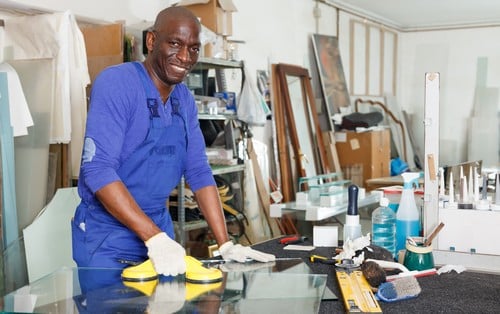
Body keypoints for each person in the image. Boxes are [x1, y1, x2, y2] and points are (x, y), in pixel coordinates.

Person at [72, 6, 275, 278]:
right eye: (175, 43)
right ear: (152, 41)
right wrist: (153, 238)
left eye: (193, 48)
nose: (184, 56)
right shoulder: (117, 83)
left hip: (159, 230)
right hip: (109, 238)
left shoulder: (184, 100)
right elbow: (98, 170)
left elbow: (199, 171)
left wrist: (225, 243)